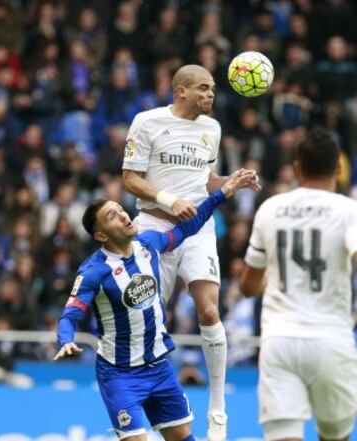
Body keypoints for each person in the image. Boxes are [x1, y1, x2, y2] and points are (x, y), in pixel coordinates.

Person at [54, 170, 260, 441]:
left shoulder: (147, 244)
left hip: (159, 365)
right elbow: (70, 314)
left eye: (120, 209)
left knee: (182, 436)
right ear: (101, 236)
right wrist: (65, 339)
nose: (124, 215)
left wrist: (223, 193)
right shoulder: (93, 271)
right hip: (120, 375)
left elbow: (187, 227)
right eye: (112, 216)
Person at [122, 64, 240, 440]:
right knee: (150, 317)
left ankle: (217, 407)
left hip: (198, 229)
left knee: (208, 308)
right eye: (203, 89)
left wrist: (231, 183)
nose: (210, 95)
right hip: (154, 227)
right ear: (180, 91)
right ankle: (149, 398)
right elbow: (130, 178)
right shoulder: (147, 121)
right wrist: (169, 200)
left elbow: (205, 181)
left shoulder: (212, 128)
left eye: (213, 89)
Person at [240, 128, 357, 441]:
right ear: (338, 168)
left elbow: (248, 286)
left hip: (280, 338)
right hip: (331, 339)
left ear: (296, 168)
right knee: (336, 436)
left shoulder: (270, 209)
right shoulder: (349, 211)